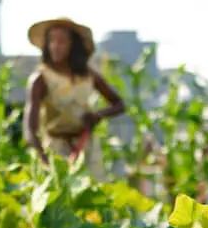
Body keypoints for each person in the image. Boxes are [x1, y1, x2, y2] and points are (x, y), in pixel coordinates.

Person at [23, 17, 129, 181]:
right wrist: (44, 159)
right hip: (56, 149)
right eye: (51, 41)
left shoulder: (88, 75)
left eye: (62, 41)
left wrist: (98, 115)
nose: (55, 47)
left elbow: (119, 104)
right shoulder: (41, 79)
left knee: (95, 194)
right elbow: (30, 130)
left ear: (74, 45)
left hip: (87, 145)